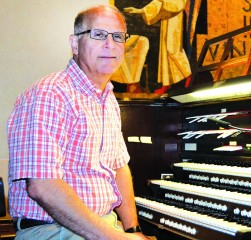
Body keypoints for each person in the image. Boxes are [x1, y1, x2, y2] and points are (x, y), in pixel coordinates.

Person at [7, 4, 153, 240]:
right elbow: (42, 186)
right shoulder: (50, 93)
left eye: (118, 37)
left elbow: (119, 168)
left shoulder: (108, 99)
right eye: (98, 35)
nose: (110, 44)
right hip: (52, 229)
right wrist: (119, 238)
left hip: (104, 226)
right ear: (75, 44)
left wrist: (132, 230)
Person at [124, 0, 192, 93]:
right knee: (164, 50)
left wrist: (163, 2)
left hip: (175, 15)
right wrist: (139, 10)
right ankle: (166, 84)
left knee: (172, 49)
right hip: (167, 15)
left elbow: (178, 4)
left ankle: (189, 76)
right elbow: (158, 3)